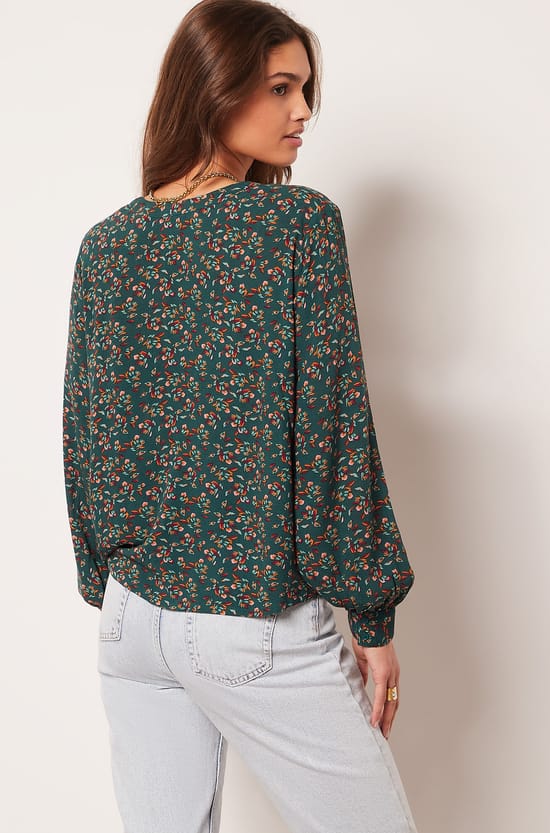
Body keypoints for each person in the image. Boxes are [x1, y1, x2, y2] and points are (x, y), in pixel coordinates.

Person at [62, 1, 418, 831]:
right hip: (246, 616)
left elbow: (84, 436)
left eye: (306, 90)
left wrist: (104, 578)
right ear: (214, 89)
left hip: (130, 621)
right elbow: (333, 431)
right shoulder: (298, 224)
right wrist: (372, 613)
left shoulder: (106, 245)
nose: (303, 111)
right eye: (281, 87)